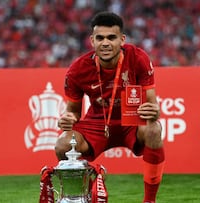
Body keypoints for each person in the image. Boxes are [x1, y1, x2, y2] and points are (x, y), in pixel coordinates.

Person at [55, 11, 165, 203]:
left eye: (111, 37)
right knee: (63, 144)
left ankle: (149, 201)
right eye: (100, 38)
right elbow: (72, 113)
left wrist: (154, 111)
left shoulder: (138, 58)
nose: (105, 43)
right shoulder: (77, 69)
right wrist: (67, 119)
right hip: (96, 122)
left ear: (122, 40)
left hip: (131, 120)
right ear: (92, 41)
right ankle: (82, 196)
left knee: (154, 129)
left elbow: (152, 105)